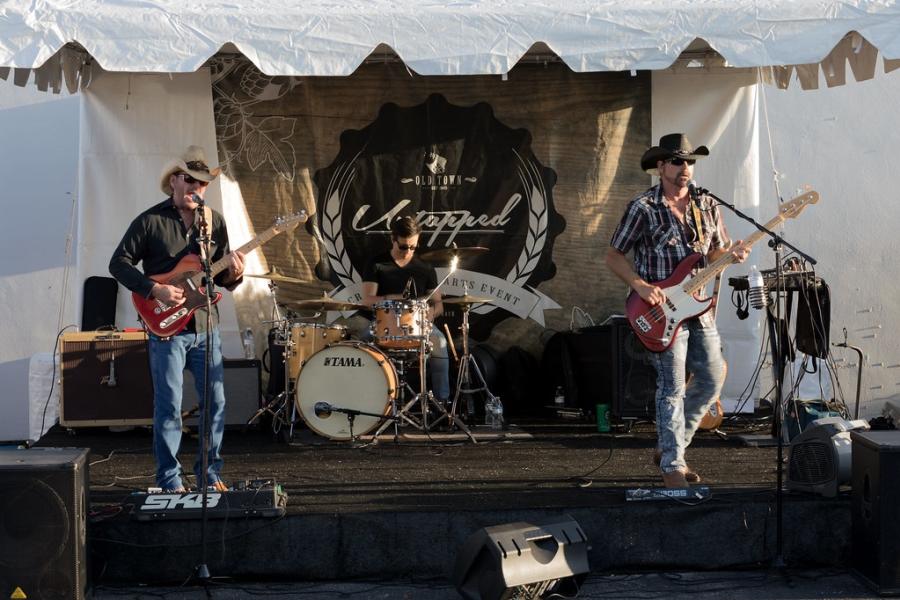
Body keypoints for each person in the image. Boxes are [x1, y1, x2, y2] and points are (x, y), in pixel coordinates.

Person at [605, 133, 749, 488]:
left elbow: (713, 255)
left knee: (713, 378)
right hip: (662, 312)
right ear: (660, 167)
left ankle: (672, 445)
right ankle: (673, 464)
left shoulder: (707, 205)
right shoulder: (643, 207)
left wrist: (730, 257)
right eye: (677, 161)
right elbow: (613, 255)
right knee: (671, 387)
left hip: (699, 308)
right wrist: (640, 286)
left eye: (689, 162)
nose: (685, 168)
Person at [109, 145, 245, 493]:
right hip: (166, 328)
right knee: (169, 406)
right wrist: (154, 291)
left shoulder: (213, 222)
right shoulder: (150, 221)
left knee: (215, 403)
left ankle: (209, 475)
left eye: (202, 184)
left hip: (206, 327)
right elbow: (118, 264)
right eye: (191, 180)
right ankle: (169, 480)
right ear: (174, 181)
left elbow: (219, 280)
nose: (197, 188)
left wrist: (235, 274)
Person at [360, 216, 451, 406]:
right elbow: (368, 300)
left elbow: (438, 304)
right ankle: (368, 404)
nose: (407, 251)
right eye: (403, 247)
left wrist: (430, 313)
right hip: (383, 326)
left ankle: (442, 405)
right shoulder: (377, 263)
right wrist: (392, 298)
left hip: (418, 327)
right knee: (360, 346)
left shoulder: (425, 267)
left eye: (412, 247)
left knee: (440, 343)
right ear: (393, 239)